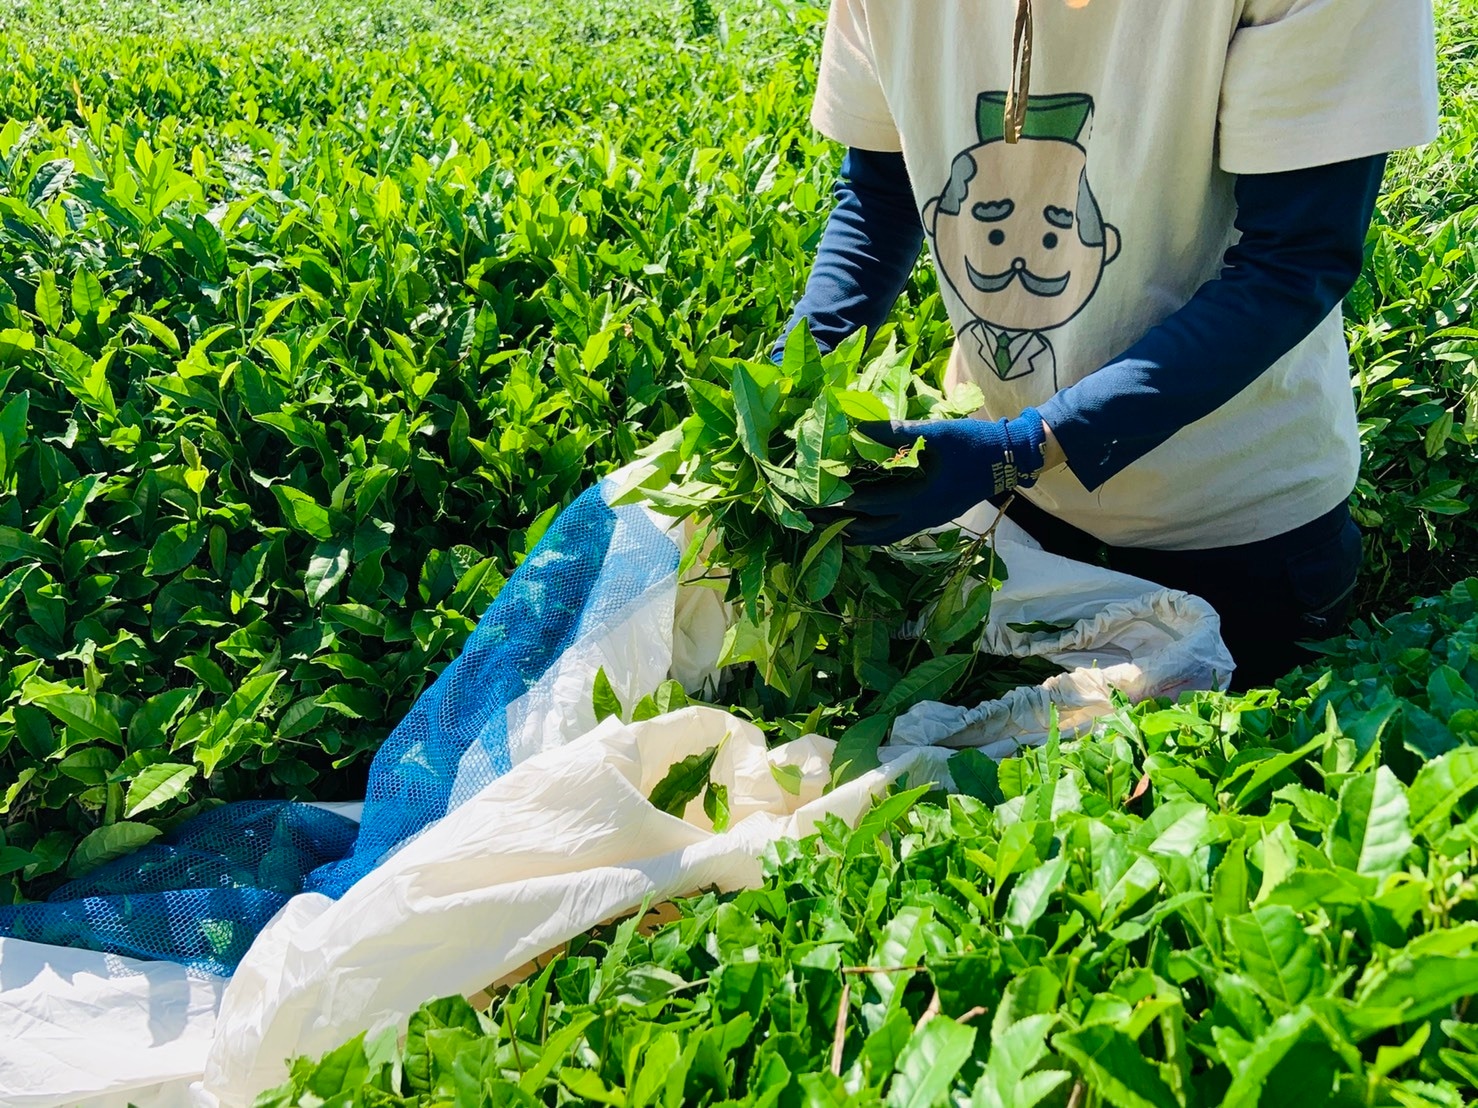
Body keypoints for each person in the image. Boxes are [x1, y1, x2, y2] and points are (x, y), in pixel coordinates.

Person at [774, 0, 1440, 689]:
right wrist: (787, 386)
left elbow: (1290, 264)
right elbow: (881, 197)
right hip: (1007, 514)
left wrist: (1024, 447)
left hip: (1231, 530)